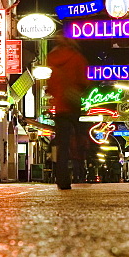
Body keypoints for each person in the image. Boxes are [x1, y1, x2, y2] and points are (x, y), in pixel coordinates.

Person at [47, 34, 88, 190]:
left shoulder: (52, 58)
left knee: (62, 145)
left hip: (60, 106)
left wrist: (57, 93)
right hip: (73, 104)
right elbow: (83, 81)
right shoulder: (77, 57)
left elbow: (50, 85)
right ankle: (80, 168)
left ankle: (62, 179)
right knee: (78, 137)